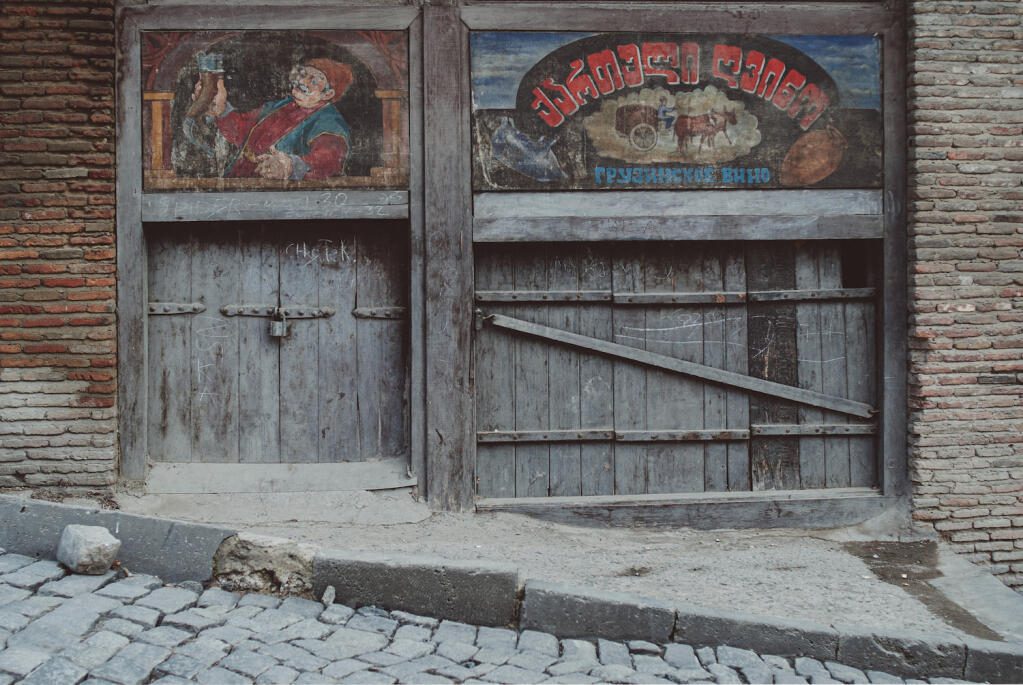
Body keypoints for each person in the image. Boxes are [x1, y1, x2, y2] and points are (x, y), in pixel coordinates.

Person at [195, 58, 354, 180]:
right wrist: (221, 109)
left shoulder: (329, 121)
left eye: (313, 81)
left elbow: (329, 159)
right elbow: (243, 128)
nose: (303, 82)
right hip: (241, 181)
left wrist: (290, 166)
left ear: (328, 94)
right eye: (304, 74)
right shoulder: (282, 105)